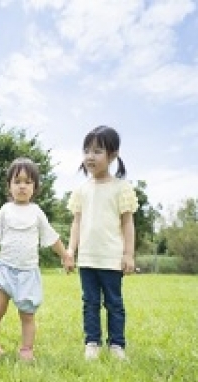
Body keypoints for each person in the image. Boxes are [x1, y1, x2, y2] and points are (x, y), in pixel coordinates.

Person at [0, 157, 74, 361]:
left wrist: (65, 255)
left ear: (35, 187)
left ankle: (26, 349)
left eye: (28, 182)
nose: (22, 186)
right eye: (17, 181)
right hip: (5, 270)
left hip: (28, 273)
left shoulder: (37, 212)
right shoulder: (5, 210)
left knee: (27, 314)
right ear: (9, 186)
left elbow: (51, 237)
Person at [66, 126, 138, 361]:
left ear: (113, 155)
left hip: (111, 258)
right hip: (87, 259)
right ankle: (92, 343)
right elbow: (76, 223)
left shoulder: (121, 188)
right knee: (90, 302)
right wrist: (70, 251)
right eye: (87, 150)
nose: (90, 156)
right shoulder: (82, 190)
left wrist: (128, 254)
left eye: (97, 151)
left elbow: (127, 223)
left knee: (114, 303)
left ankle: (116, 344)